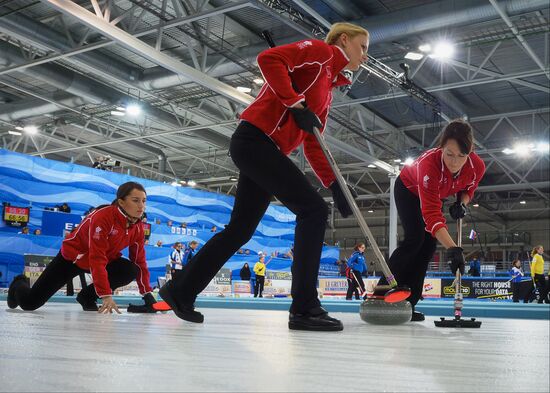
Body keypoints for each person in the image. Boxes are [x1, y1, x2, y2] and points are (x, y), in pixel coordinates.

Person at [159, 22, 368, 331]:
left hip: (266, 149)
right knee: (312, 210)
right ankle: (304, 307)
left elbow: (312, 140)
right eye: (363, 47)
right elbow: (269, 59)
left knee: (240, 230)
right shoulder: (320, 52)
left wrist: (333, 183)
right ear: (345, 40)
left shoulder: (327, 87)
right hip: (255, 141)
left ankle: (180, 290)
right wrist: (294, 103)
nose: (365, 56)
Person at [377, 119, 486, 322]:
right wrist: (454, 249)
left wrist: (462, 202)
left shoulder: (477, 166)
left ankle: (409, 303)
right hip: (408, 190)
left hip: (436, 194)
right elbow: (432, 216)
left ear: (470, 153)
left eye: (462, 156)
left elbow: (469, 187)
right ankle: (382, 291)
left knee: (428, 248)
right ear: (441, 148)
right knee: (415, 238)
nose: (454, 162)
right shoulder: (429, 165)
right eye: (449, 154)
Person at [7, 182, 155, 313]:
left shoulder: (138, 228)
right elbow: (96, 257)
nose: (141, 206)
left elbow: (139, 261)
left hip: (102, 260)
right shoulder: (103, 217)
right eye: (135, 201)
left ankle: (86, 297)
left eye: (144, 201)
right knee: (29, 304)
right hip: (71, 259)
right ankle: (19, 283)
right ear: (121, 202)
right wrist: (106, 295)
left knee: (129, 270)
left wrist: (147, 294)